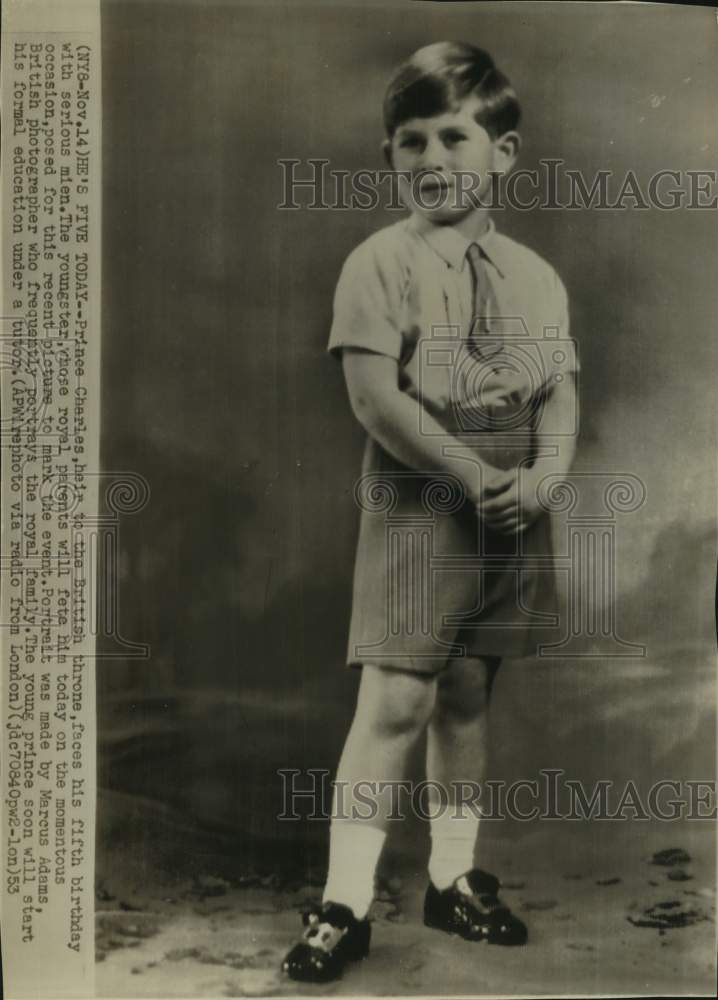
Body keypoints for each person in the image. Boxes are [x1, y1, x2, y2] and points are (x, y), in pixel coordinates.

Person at [282, 40, 579, 983]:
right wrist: (463, 471)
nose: (434, 159)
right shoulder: (380, 262)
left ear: (505, 153)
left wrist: (548, 472)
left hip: (512, 504)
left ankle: (454, 880)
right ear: (390, 159)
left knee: (465, 691)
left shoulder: (533, 275)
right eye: (411, 142)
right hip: (422, 496)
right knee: (397, 696)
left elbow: (558, 390)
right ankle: (343, 902)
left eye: (456, 136)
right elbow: (375, 400)